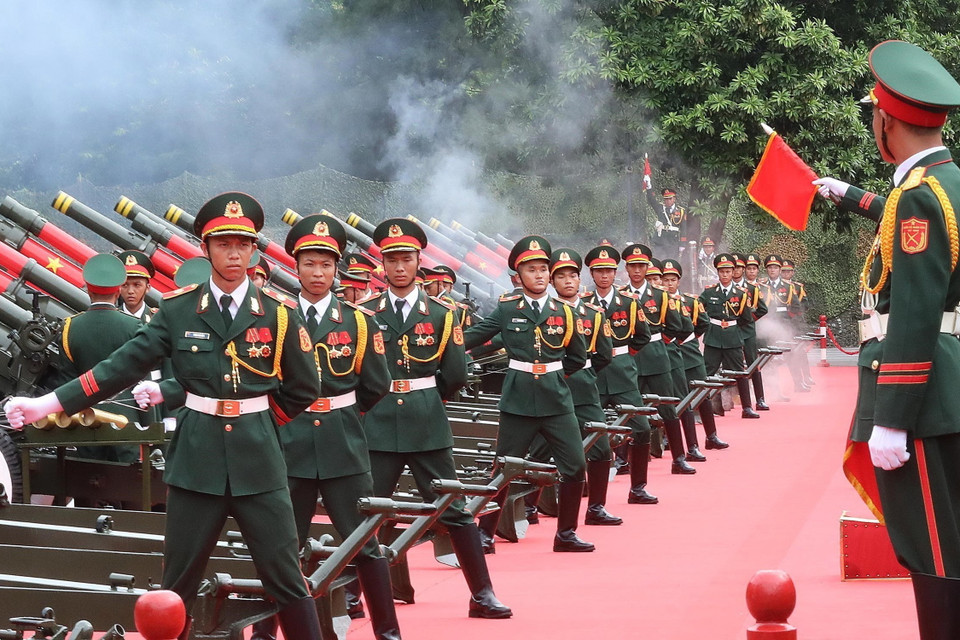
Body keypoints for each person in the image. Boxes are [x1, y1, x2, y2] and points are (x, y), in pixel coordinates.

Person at [5, 192, 325, 640]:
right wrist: (47, 404)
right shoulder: (177, 311)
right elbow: (118, 368)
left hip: (260, 463)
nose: (234, 254)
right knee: (177, 585)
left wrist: (264, 424)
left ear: (254, 250)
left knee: (287, 581)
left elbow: (304, 386)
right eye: (223, 244)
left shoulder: (279, 315)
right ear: (207, 248)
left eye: (243, 244)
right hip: (196, 461)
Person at [814, 40, 960, 638]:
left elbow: (917, 310)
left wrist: (892, 417)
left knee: (934, 548)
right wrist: (847, 193)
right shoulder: (944, 183)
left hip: (922, 396)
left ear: (886, 120)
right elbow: (904, 221)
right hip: (948, 381)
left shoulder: (920, 197)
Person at [252, 214, 398, 640]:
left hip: (343, 444)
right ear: (295, 268)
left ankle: (387, 632)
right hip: (289, 442)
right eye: (310, 264)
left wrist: (342, 414)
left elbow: (375, 385)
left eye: (326, 265)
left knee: (364, 544)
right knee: (280, 549)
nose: (318, 273)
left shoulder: (358, 321)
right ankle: (262, 633)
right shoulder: (275, 316)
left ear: (337, 270)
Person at [360, 218, 511, 620]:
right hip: (376, 424)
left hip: (427, 423)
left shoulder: (442, 314)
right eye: (391, 259)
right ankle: (354, 597)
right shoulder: (363, 313)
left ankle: (482, 594)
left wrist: (429, 396)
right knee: (368, 513)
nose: (398, 267)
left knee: (455, 510)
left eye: (406, 259)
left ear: (418, 262)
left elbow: (456, 374)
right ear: (382, 264)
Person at [464, 235, 597, 551]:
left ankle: (566, 534)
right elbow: (471, 337)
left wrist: (551, 373)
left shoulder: (564, 312)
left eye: (542, 269)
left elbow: (578, 357)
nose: (538, 275)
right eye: (531, 270)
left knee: (575, 465)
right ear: (518, 277)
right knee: (504, 467)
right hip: (519, 399)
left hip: (556, 399)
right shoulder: (508, 310)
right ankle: (486, 532)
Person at [48, 254, 145, 466]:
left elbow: (67, 380)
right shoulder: (135, 327)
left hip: (85, 419)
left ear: (87, 289)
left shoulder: (69, 328)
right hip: (127, 422)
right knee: (132, 488)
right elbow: (143, 381)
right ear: (119, 289)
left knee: (88, 486)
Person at [580, 243, 658, 503]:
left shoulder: (629, 302)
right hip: (593, 376)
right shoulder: (583, 304)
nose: (604, 275)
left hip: (623, 375)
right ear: (591, 274)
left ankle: (638, 488)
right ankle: (581, 484)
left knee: (642, 428)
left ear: (616, 273)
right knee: (585, 433)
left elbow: (642, 336)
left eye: (609, 271)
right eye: (599, 271)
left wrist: (624, 355)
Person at [620, 243, 696, 474]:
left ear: (647, 267)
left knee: (668, 409)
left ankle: (679, 458)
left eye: (641, 266)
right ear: (626, 268)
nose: (636, 270)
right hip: (630, 358)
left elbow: (678, 325)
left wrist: (657, 341)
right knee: (627, 411)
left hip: (656, 357)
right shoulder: (620, 296)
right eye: (632, 266)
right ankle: (623, 459)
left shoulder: (661, 295)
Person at [660, 259, 729, 451]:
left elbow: (703, 324)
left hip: (690, 354)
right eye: (665, 280)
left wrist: (686, 340)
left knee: (702, 394)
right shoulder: (656, 302)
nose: (669, 283)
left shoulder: (690, 301)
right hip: (669, 356)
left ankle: (711, 436)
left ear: (679, 281)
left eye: (672, 279)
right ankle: (668, 438)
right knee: (673, 398)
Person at [699, 253, 760, 419]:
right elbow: (698, 310)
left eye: (728, 271)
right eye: (722, 271)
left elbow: (746, 318)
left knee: (740, 373)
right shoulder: (709, 292)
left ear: (733, 272)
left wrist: (736, 332)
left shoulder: (741, 293)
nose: (725, 275)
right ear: (717, 272)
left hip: (732, 337)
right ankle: (708, 406)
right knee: (708, 372)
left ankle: (747, 407)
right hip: (713, 337)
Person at [646, 187, 687, 257]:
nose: (668, 201)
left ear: (674, 199)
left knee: (671, 262)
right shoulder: (660, 208)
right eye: (666, 199)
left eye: (670, 199)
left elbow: (684, 228)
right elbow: (651, 200)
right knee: (658, 261)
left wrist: (682, 244)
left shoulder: (681, 211)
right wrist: (649, 187)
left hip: (673, 241)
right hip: (660, 240)